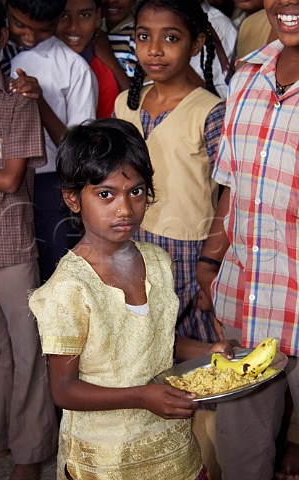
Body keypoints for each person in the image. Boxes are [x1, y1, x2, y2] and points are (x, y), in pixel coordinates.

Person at [29, 117, 238, 480]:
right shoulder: (68, 288)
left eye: (136, 192)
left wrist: (208, 351)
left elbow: (155, 340)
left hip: (170, 449)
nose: (125, 209)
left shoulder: (157, 262)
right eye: (105, 194)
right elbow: (64, 390)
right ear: (73, 199)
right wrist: (143, 396)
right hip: (106, 459)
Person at [196, 0, 299, 476]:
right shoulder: (249, 76)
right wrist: (212, 260)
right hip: (248, 296)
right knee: (242, 449)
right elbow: (233, 186)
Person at [114, 0, 225, 344]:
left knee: (193, 344)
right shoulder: (125, 104)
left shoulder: (210, 111)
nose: (155, 50)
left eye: (171, 39)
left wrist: (211, 261)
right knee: (142, 338)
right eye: (144, 36)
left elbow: (232, 192)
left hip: (188, 247)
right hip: (130, 238)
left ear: (196, 45)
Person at [0, 1, 58, 479]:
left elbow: (10, 178)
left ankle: (30, 453)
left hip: (8, 242)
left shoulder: (16, 99)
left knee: (27, 347)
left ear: (2, 34)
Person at [8, 0, 98, 281]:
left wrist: (40, 101)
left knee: (53, 271)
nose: (30, 37)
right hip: (5, 180)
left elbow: (78, 152)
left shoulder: (74, 68)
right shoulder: (0, 52)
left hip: (51, 183)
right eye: (20, 25)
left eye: (42, 30)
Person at [55, 0, 119, 119]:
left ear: (98, 17)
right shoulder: (31, 61)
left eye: (84, 15)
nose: (73, 27)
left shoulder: (103, 77)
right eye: (63, 16)